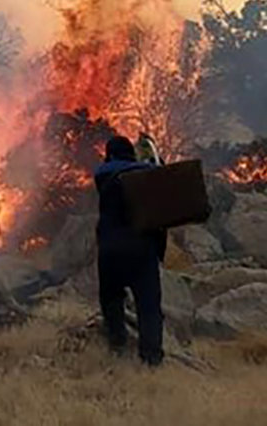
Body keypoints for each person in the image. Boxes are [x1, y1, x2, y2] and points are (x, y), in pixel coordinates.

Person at [95, 135, 165, 366]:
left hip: (110, 250)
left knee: (111, 301)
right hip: (142, 250)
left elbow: (110, 168)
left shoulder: (104, 174)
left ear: (110, 154)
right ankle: (152, 358)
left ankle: (117, 348)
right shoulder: (146, 173)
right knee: (149, 306)